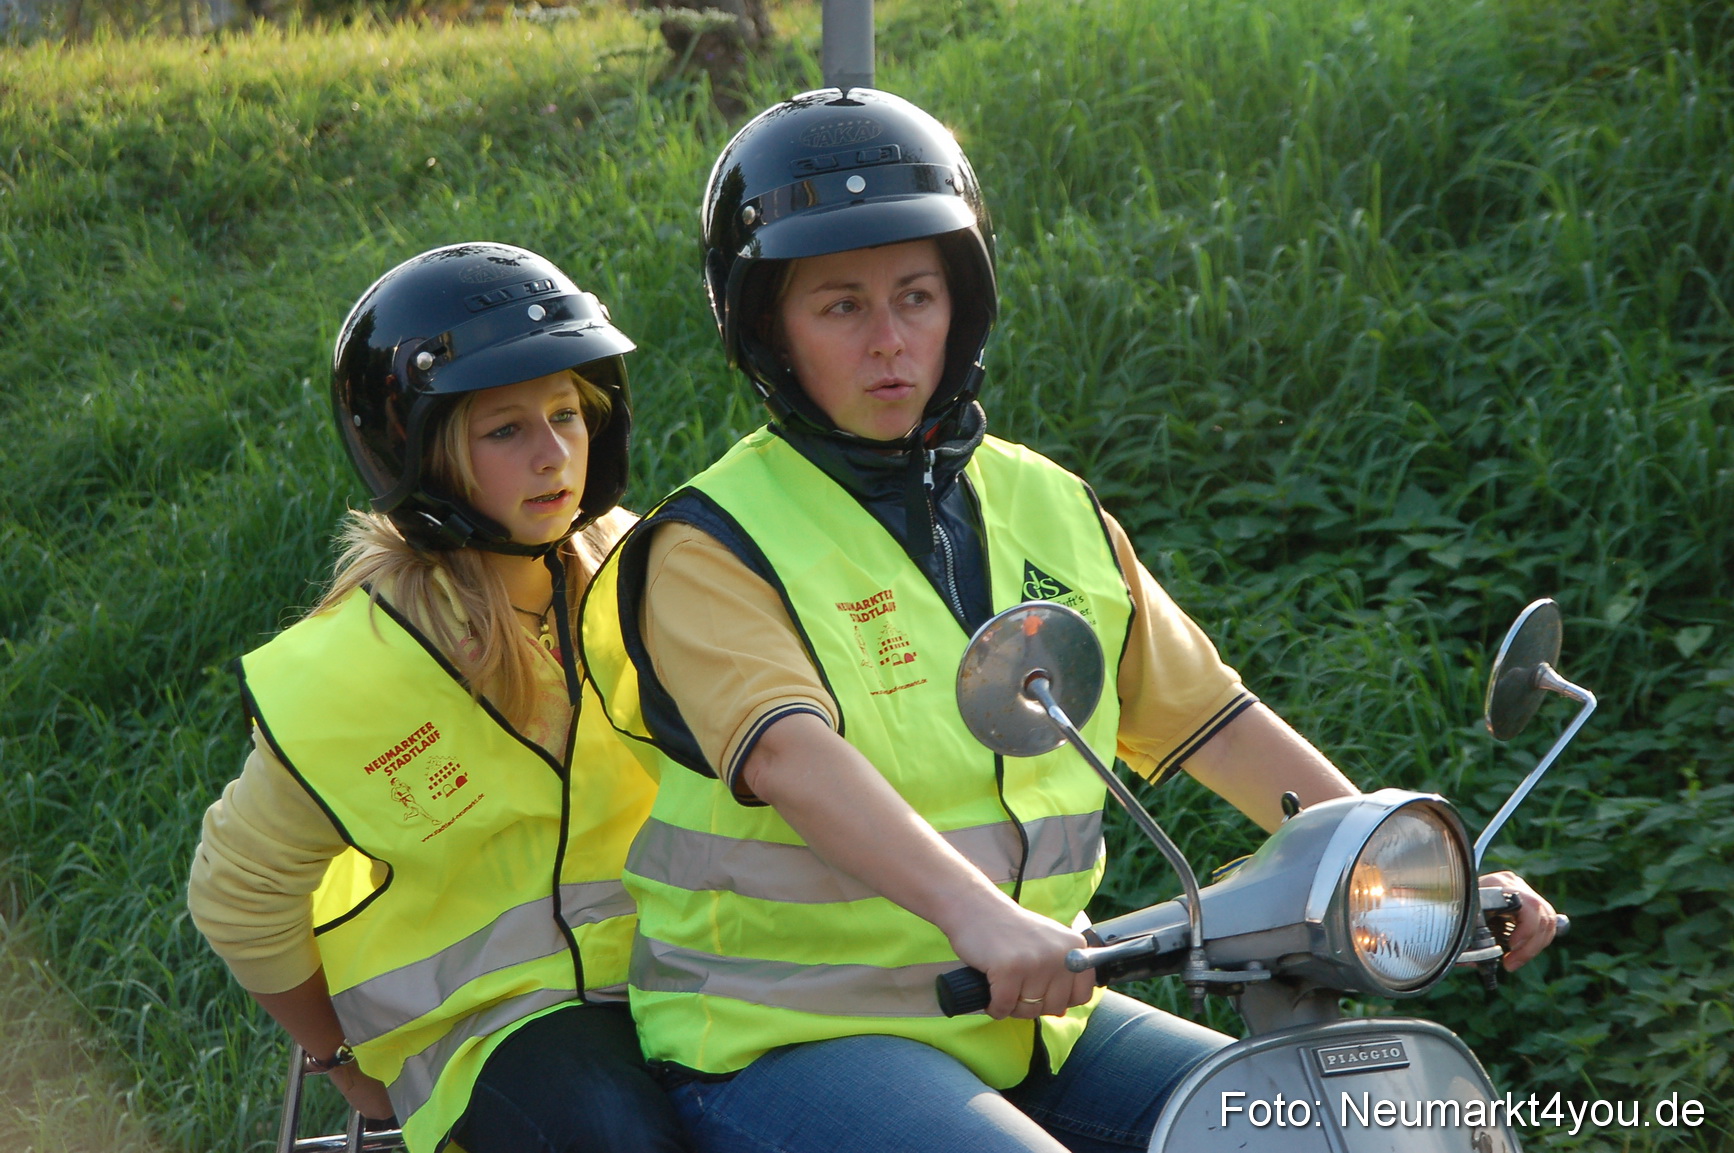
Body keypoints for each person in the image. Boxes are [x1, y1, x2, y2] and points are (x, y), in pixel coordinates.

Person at [579, 90, 1559, 1153]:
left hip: (1037, 1011)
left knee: (1334, 1125)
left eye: (917, 296)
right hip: (791, 1034)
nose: (890, 340)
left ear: (964, 306)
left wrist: (1403, 861)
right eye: (841, 306)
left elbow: (1211, 720)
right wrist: (982, 918)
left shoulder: (1050, 504)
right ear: (768, 329)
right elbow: (790, 757)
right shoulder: (710, 544)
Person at [187, 243, 690, 1153]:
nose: (553, 454)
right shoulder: (354, 669)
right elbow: (237, 894)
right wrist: (344, 1061)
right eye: (505, 431)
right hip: (487, 1025)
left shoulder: (651, 568)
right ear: (423, 457)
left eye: (566, 414)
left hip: (688, 959)